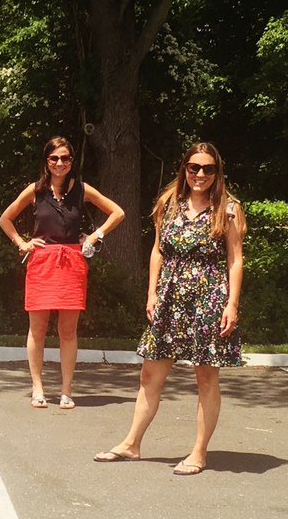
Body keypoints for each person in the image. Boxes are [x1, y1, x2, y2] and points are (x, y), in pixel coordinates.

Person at [94, 141, 244, 473]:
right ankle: (132, 444)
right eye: (194, 168)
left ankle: (199, 452)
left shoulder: (228, 208)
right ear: (184, 170)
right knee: (150, 374)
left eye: (208, 168)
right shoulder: (169, 203)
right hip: (170, 298)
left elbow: (234, 259)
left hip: (209, 298)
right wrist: (152, 293)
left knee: (205, 378)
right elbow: (158, 251)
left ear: (217, 172)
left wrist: (231, 304)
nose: (200, 174)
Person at [0, 135, 125, 408]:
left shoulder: (82, 189)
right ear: (47, 161)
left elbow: (117, 212)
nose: (60, 163)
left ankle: (66, 391)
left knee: (68, 331)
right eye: (54, 158)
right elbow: (5, 218)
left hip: (72, 262)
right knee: (38, 330)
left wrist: (95, 236)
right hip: (41, 263)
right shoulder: (35, 191)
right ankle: (38, 388)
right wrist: (22, 242)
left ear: (72, 161)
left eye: (65, 158)